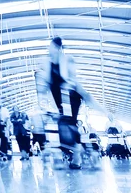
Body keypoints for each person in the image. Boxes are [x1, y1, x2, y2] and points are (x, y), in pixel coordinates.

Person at [36, 37, 107, 169]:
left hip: (71, 97)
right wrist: (42, 101)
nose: (49, 50)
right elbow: (44, 85)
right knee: (67, 126)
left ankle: (79, 157)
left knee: (67, 124)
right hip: (60, 99)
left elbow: (72, 79)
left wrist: (68, 85)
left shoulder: (67, 60)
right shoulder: (48, 64)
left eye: (51, 47)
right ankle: (84, 154)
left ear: (57, 48)